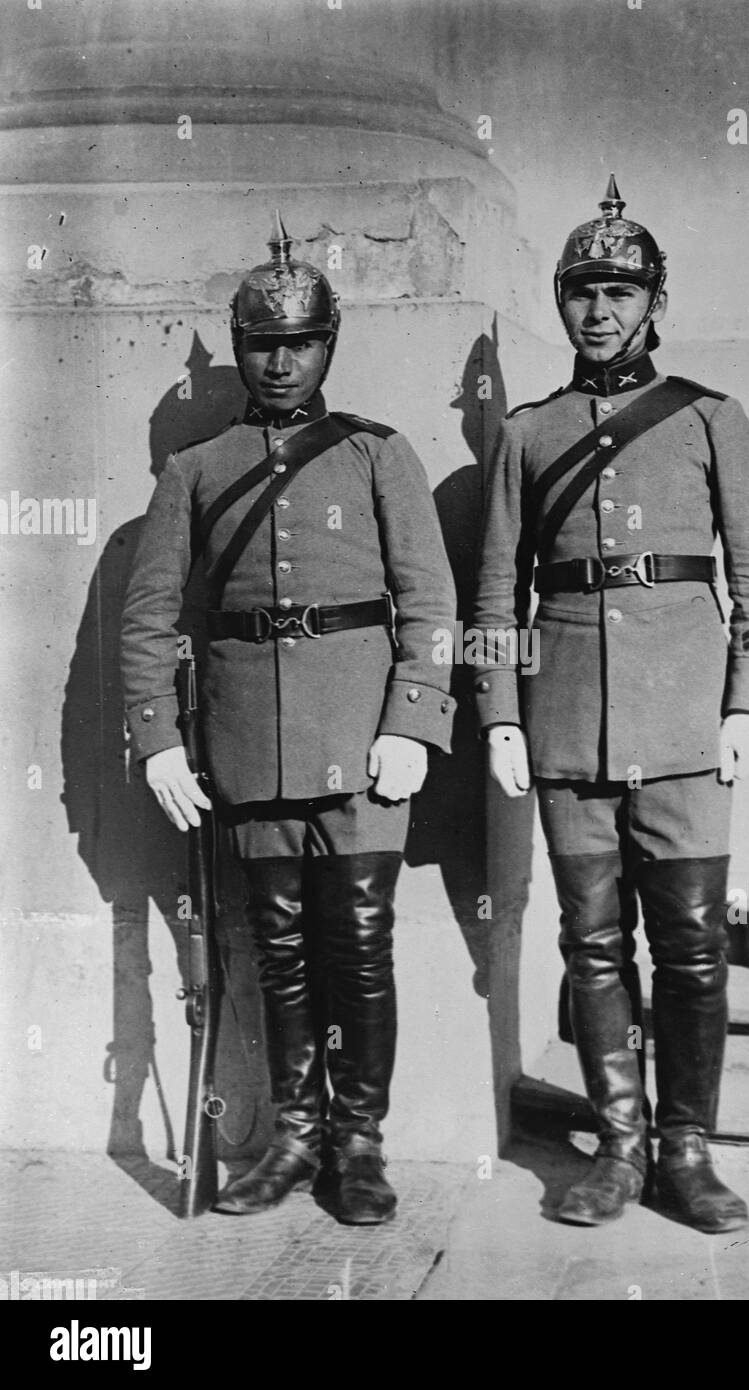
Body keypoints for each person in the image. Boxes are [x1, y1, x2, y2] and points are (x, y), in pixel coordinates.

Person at [121, 214, 457, 1223]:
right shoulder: (193, 470)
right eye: (262, 344)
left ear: (327, 344)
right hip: (246, 746)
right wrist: (157, 740)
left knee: (358, 939)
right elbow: (147, 619)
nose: (279, 362)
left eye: (299, 343)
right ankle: (294, 1136)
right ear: (238, 347)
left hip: (360, 744)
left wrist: (412, 721)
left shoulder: (376, 454)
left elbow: (430, 604)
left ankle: (359, 1146)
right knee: (273, 944)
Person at [473, 176, 749, 1231]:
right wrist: (501, 715)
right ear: (560, 304)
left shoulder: (709, 419)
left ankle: (686, 1152)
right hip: (564, 726)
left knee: (692, 941)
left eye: (619, 291)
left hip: (685, 725)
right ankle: (617, 1145)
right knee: (592, 942)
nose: (597, 311)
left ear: (655, 301)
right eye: (579, 293)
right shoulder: (528, 434)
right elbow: (492, 594)